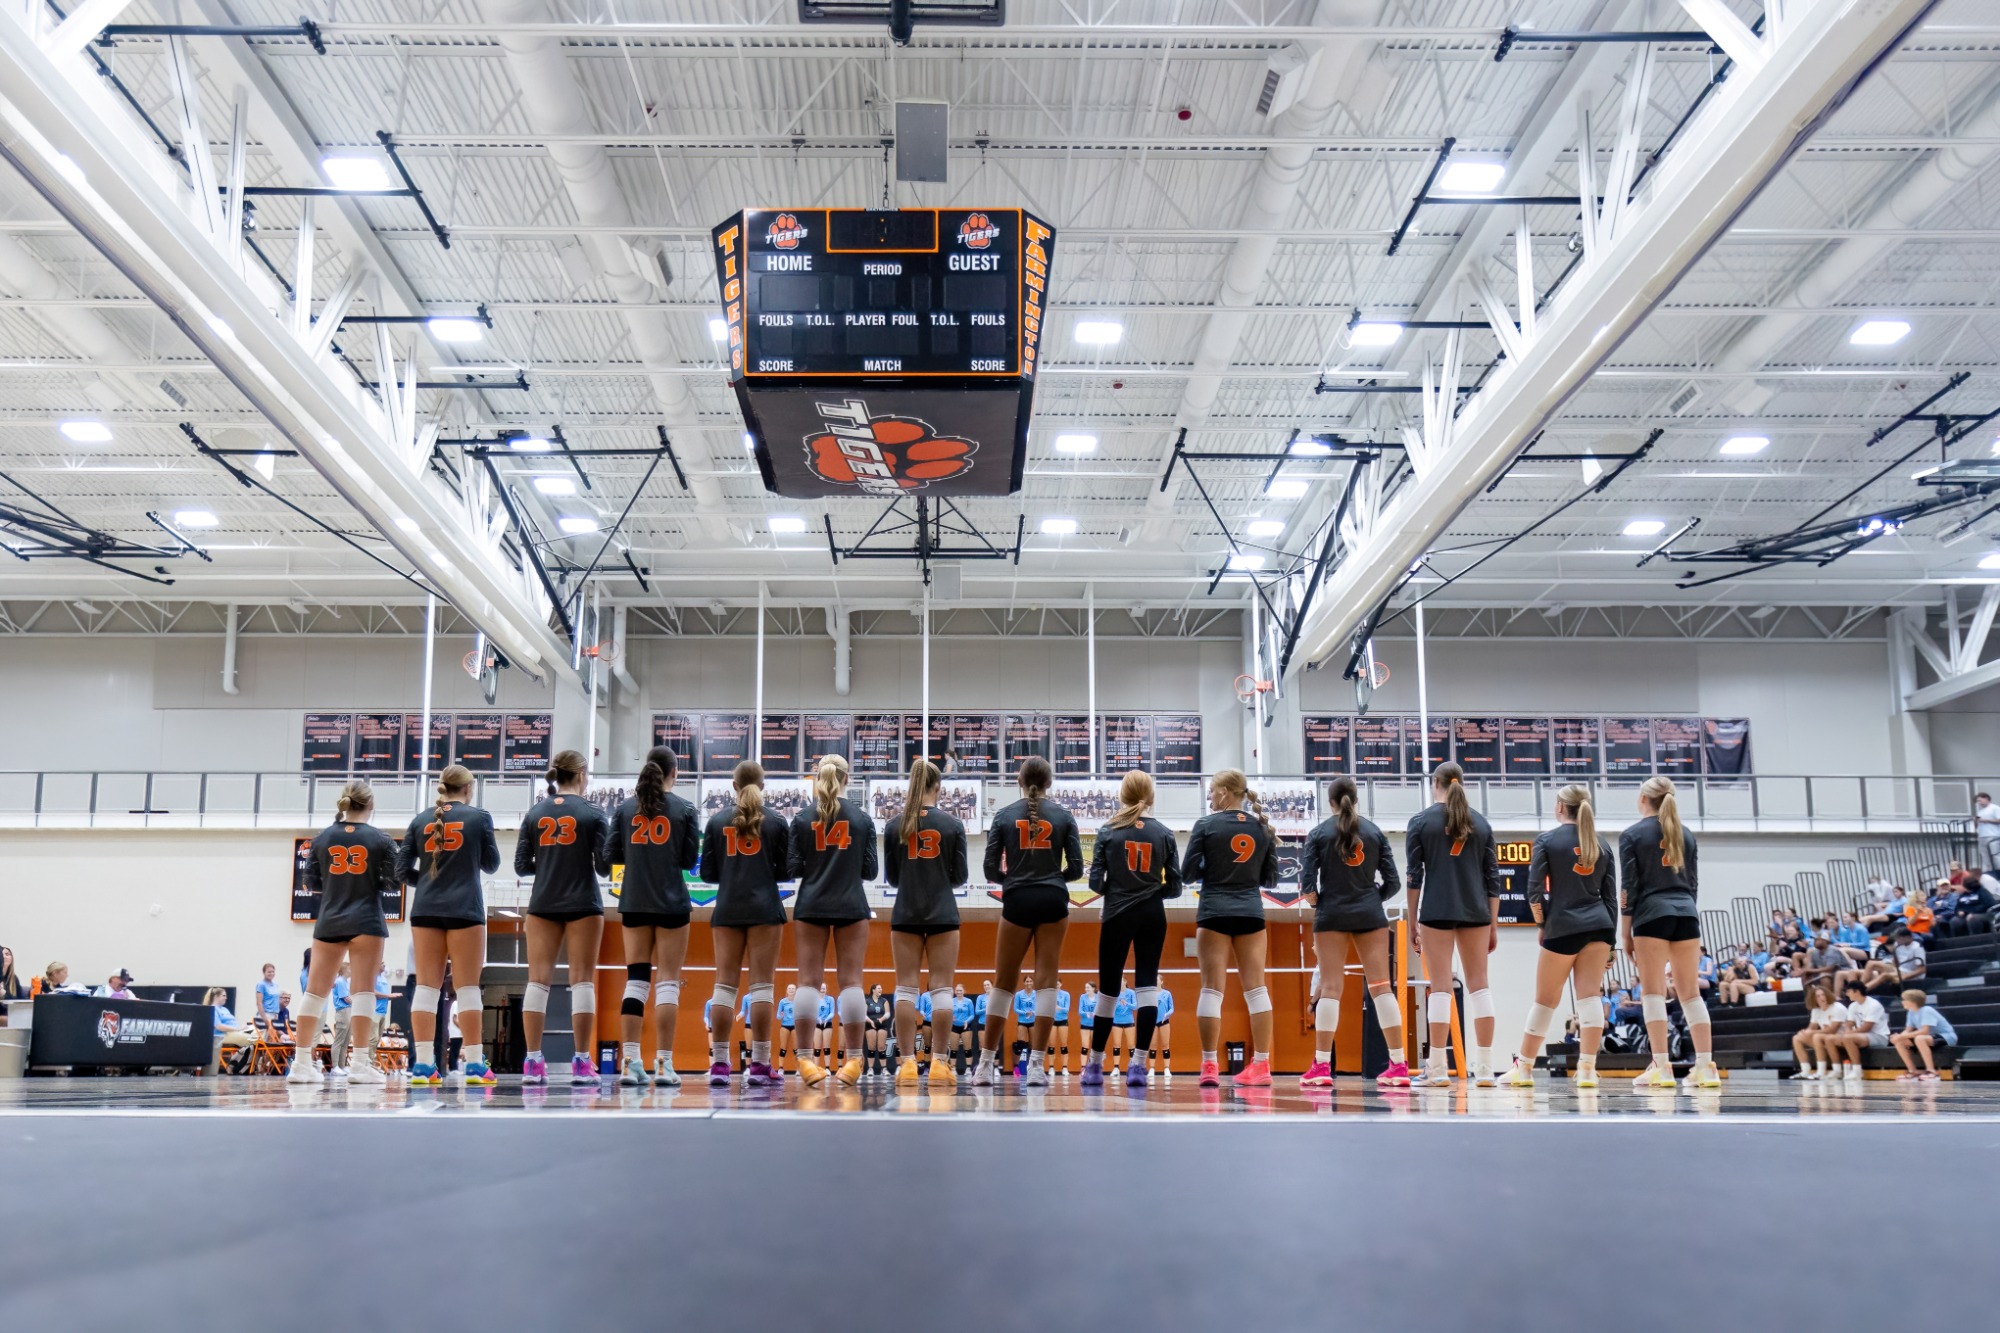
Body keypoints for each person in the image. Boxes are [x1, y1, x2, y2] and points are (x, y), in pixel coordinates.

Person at [972, 756, 1083, 1088]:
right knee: (1048, 981)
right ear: (1049, 783)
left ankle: (985, 1067)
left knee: (1004, 981)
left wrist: (1015, 881)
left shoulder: (1005, 816)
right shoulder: (1064, 816)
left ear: (1019, 781)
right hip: (1053, 899)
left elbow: (991, 869)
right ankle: (1036, 1067)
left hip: (1017, 898)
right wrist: (1052, 880)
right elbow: (1077, 869)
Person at [599, 745, 700, 1088]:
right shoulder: (684, 808)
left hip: (634, 901)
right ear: (675, 773)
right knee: (668, 981)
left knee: (636, 980)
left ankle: (630, 1064)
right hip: (672, 902)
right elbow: (688, 862)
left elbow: (611, 854)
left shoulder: (625, 809)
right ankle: (666, 1065)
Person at [1298, 775, 1408, 1089]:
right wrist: (1372, 899)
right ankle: (1399, 1066)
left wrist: (1322, 902)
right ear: (1355, 799)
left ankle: (1321, 1067)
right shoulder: (1374, 832)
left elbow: (1307, 885)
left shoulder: (1318, 834)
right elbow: (1394, 882)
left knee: (1331, 989)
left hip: (1331, 913)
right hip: (1369, 913)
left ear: (1330, 802)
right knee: (1381, 987)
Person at [396, 763, 502, 1087]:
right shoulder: (479, 817)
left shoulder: (419, 820)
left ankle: (423, 1066)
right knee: (468, 989)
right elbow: (493, 863)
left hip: (425, 910)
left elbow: (401, 872)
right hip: (465, 910)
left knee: (427, 988)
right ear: (468, 789)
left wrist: (429, 882)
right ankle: (473, 1064)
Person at [1507, 784, 1616, 1089]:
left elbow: (1534, 892)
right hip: (1599, 927)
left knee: (1544, 1001)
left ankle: (1524, 1069)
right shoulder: (1602, 844)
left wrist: (1542, 926)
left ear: (1559, 807)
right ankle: (1587, 1069)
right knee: (1590, 997)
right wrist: (1612, 944)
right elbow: (1611, 899)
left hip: (1562, 927)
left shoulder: (1547, 840)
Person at [514, 750, 612, 1088]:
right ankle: (582, 1063)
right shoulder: (594, 813)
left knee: (537, 981)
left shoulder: (535, 812)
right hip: (583, 901)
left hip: (543, 902)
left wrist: (550, 865)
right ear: (582, 774)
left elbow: (521, 865)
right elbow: (603, 866)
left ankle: (532, 1062)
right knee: (582, 980)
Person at [289, 780, 397, 1087]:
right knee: (364, 993)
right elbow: (392, 883)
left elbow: (311, 880)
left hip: (330, 920)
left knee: (313, 994)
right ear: (371, 805)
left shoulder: (322, 838)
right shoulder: (381, 839)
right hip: (367, 920)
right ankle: (361, 1065)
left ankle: (300, 1064)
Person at [1406, 761, 1503, 1087]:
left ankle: (1436, 1069)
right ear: (1462, 783)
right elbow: (1493, 880)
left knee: (1441, 989)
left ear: (1436, 784)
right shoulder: (1482, 824)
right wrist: (1493, 924)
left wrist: (1412, 920)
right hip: (1476, 911)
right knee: (1479, 986)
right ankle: (1487, 1070)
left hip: (1436, 911)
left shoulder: (1420, 822)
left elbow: (1414, 878)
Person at [1082, 770, 1181, 1089]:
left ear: (1122, 796)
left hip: (1117, 914)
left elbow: (1095, 883)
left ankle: (1095, 1066)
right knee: (1147, 987)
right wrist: (1151, 894)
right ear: (1151, 798)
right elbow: (1176, 887)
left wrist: (1120, 889)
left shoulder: (1108, 831)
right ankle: (1139, 1066)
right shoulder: (1165, 833)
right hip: (1153, 914)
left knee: (1109, 991)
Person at [1620, 775, 1718, 1090]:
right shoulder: (1686, 834)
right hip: (1687, 914)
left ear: (1643, 799)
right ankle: (1706, 1067)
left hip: (1652, 915)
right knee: (1690, 994)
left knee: (1652, 993)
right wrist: (1687, 910)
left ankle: (1661, 1067)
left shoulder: (1632, 834)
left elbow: (1629, 889)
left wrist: (1625, 933)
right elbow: (1694, 885)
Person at [1185, 768, 1280, 1088]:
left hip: (1214, 912)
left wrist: (1212, 866)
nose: (1209, 796)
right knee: (1257, 989)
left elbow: (1187, 874)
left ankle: (1209, 1065)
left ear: (1225, 791)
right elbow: (1271, 879)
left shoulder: (1206, 826)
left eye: (1211, 791)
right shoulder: (1261, 828)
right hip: (1251, 912)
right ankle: (1262, 1065)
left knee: (1212, 989)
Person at [787, 754, 878, 1088]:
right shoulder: (862, 818)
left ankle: (806, 1062)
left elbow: (792, 868)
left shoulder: (801, 818)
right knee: (852, 982)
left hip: (811, 903)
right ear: (846, 779)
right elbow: (870, 871)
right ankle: (854, 1061)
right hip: (851, 903)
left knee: (808, 981)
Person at [700, 759, 792, 1086]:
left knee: (724, 986)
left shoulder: (717, 821)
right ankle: (760, 1065)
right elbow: (786, 871)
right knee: (762, 987)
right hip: (765, 909)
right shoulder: (778, 821)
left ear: (734, 785)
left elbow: (708, 873)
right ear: (762, 786)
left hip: (727, 909)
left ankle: (721, 1064)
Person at [884, 757, 969, 1088]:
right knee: (942, 989)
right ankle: (938, 1064)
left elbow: (892, 878)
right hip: (943, 913)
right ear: (939, 788)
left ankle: (906, 1065)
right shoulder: (952, 825)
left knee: (906, 987)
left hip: (905, 912)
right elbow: (960, 877)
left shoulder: (895, 826)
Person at [1821, 980, 1890, 1081]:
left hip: (1879, 1037)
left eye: (1848, 991)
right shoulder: (1853, 1005)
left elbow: (1867, 1027)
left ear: (1857, 992)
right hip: (1862, 1036)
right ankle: (1837, 1070)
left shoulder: (1873, 1005)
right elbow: (1849, 1023)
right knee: (1829, 1039)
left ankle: (1857, 1071)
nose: (1847, 994)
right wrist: (1847, 1031)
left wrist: (1848, 1034)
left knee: (1847, 1038)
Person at [1891, 988, 1956, 1081]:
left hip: (1946, 1036)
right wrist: (1899, 1037)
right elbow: (1907, 1030)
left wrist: (1902, 1036)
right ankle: (1912, 1071)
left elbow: (1924, 1031)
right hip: (1928, 1037)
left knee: (1920, 1038)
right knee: (1899, 1041)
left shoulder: (1926, 1010)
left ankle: (1931, 1071)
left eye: (1904, 1000)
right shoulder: (1911, 1012)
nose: (1902, 1002)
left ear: (1912, 1001)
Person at [1789, 983, 1847, 1081]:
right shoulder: (1816, 1010)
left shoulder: (1837, 1007)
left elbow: (1832, 1030)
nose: (1821, 998)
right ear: (1813, 999)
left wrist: (1811, 1032)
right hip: (1825, 1039)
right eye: (1817, 996)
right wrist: (1805, 1032)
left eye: (1823, 995)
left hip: (1840, 1038)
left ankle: (1821, 1071)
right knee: (1797, 1038)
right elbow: (1811, 1028)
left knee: (1816, 1036)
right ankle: (1805, 1070)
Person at [206, 986, 254, 1073]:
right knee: (255, 1041)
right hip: (222, 1035)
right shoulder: (212, 1009)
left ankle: (233, 1063)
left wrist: (242, 1028)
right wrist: (236, 1029)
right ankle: (234, 1064)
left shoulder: (224, 1009)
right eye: (223, 996)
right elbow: (218, 1026)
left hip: (234, 1032)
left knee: (254, 1042)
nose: (226, 998)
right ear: (216, 997)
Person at [864, 984, 891, 1073]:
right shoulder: (867, 1001)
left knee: (881, 1047)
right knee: (871, 1047)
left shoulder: (884, 1001)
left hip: (882, 1024)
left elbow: (888, 1014)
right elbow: (863, 1015)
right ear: (873, 990)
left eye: (881, 988)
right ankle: (870, 1069)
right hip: (870, 1024)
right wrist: (870, 1021)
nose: (881, 989)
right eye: (879, 988)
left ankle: (884, 1069)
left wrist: (881, 1019)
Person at [1151, 987, 1175, 1082]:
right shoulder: (1151, 993)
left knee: (1165, 1045)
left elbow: (1172, 1008)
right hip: (1153, 1021)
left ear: (1161, 982)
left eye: (1158, 980)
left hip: (1164, 1021)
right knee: (1153, 1045)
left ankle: (1166, 1069)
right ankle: (1152, 1069)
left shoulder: (1167, 993)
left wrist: (1166, 1014)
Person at [1978, 791, 2000, 871]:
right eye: (1978, 801)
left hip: (1993, 835)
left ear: (1986, 799)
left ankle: (1998, 871)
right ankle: (1989, 872)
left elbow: (1999, 820)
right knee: (1985, 856)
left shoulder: (1995, 808)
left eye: (1980, 800)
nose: (1979, 803)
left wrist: (1985, 820)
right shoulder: (1980, 811)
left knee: (1995, 855)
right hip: (1982, 836)